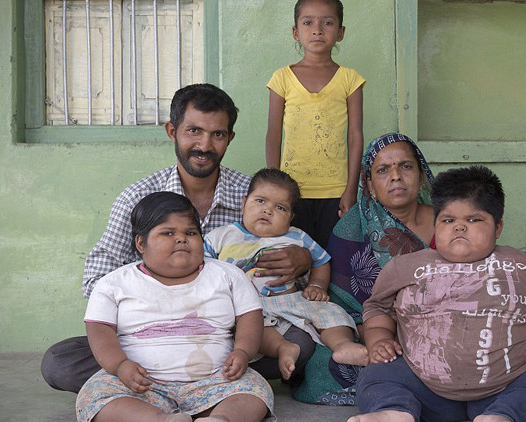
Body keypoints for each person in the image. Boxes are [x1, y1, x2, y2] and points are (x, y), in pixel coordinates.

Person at [41, 83, 315, 393]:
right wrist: (156, 306)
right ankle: (195, 381)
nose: (204, 145)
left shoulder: (256, 197)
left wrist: (303, 261)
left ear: (230, 138)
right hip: (151, 339)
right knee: (59, 361)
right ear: (172, 131)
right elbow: (97, 280)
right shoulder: (138, 197)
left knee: (301, 344)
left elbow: (296, 267)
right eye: (194, 131)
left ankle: (178, 381)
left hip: (228, 334)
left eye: (217, 134)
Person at [350, 165, 526, 422]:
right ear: (435, 225)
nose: (459, 227)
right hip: (422, 386)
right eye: (448, 220)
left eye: (473, 220)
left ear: (498, 227)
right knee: (377, 374)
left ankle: (503, 416)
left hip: (513, 382)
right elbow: (378, 308)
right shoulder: (404, 267)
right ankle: (395, 411)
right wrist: (379, 340)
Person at [76, 192, 272, 422]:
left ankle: (220, 419)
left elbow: (249, 316)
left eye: (191, 233)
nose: (181, 239)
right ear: (141, 243)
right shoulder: (114, 284)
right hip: (141, 385)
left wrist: (243, 352)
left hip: (216, 381)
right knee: (95, 396)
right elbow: (100, 330)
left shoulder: (227, 275)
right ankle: (160, 420)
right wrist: (120, 366)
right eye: (168, 233)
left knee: (255, 390)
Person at [292, 132, 435, 405]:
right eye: (383, 170)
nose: (396, 176)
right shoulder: (351, 228)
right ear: (369, 183)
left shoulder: (449, 221)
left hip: (441, 324)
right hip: (371, 328)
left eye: (406, 166)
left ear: (421, 176)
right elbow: (342, 302)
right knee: (325, 362)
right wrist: (378, 337)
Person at [204, 168, 369, 381]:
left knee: (331, 313)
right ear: (243, 204)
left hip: (292, 300)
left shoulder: (297, 237)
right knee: (253, 328)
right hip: (249, 306)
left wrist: (317, 286)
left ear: (290, 217)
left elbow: (321, 261)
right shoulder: (221, 236)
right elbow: (203, 269)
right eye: (260, 201)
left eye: (280, 207)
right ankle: (283, 347)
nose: (268, 210)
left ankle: (342, 345)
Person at [265, 0, 365, 249]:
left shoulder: (350, 80)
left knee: (332, 256)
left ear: (341, 32)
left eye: (327, 23)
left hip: (336, 191)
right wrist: (275, 187)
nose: (317, 30)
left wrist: (351, 189)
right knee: (295, 254)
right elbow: (273, 135)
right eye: (308, 22)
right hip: (292, 190)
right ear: (295, 32)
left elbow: (355, 137)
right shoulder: (282, 78)